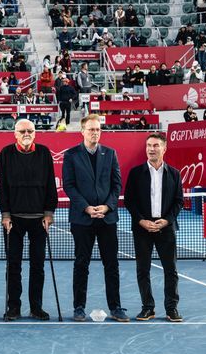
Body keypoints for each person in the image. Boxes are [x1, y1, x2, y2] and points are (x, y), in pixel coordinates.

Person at [62, 115, 128, 323]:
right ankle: (79, 307)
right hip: (82, 219)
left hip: (107, 219)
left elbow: (116, 185)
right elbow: (69, 185)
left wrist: (107, 207)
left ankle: (116, 307)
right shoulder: (71, 155)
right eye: (91, 129)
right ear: (82, 131)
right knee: (81, 264)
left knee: (112, 264)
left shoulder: (110, 153)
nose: (95, 133)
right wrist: (87, 208)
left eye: (98, 129)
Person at [0, 119, 58, 321]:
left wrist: (49, 213)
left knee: (37, 266)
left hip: (39, 220)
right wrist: (5, 214)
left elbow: (50, 184)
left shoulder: (44, 153)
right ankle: (13, 307)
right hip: (13, 221)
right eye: (22, 131)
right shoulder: (6, 153)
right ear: (15, 134)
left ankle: (36, 307)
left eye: (30, 130)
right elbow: (2, 186)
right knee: (13, 266)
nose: (26, 134)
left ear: (35, 133)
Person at [124, 133, 185, 322]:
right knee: (143, 270)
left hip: (166, 228)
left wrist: (167, 220)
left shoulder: (174, 174)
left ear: (164, 149)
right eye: (149, 145)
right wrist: (141, 221)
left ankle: (172, 308)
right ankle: (148, 308)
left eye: (156, 145)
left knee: (170, 270)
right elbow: (129, 201)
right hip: (142, 228)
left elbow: (179, 201)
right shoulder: (135, 173)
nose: (151, 149)